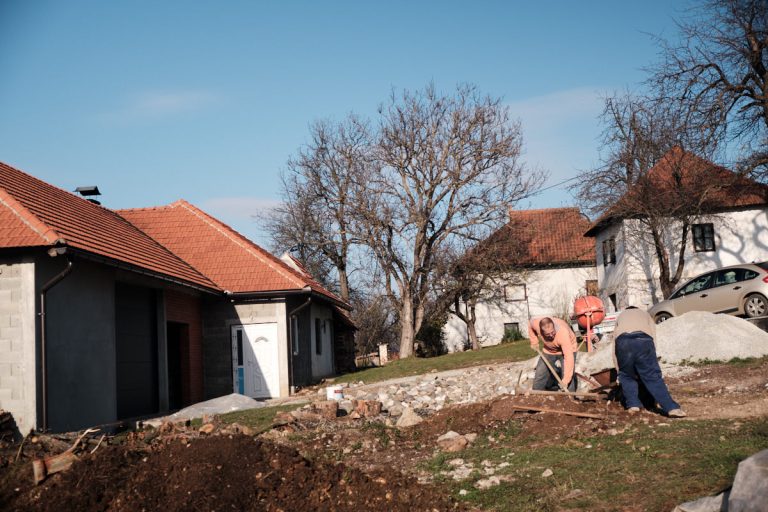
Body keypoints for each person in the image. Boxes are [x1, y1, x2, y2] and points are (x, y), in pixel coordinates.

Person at [613, 307, 686, 417]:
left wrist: (619, 370)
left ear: (626, 310)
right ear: (637, 309)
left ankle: (633, 405)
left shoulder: (620, 316)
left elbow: (614, 343)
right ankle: (672, 408)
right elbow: (653, 336)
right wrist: (651, 355)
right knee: (652, 376)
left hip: (623, 342)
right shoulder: (645, 314)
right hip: (643, 340)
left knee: (627, 376)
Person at [528, 316, 578, 392]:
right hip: (549, 350)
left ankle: (570, 399)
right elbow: (530, 324)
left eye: (552, 332)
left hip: (568, 348)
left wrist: (566, 380)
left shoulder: (562, 333)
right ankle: (536, 395)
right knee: (540, 373)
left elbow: (569, 358)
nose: (551, 335)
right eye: (547, 334)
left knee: (567, 374)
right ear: (541, 331)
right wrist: (534, 342)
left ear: (554, 326)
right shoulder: (535, 323)